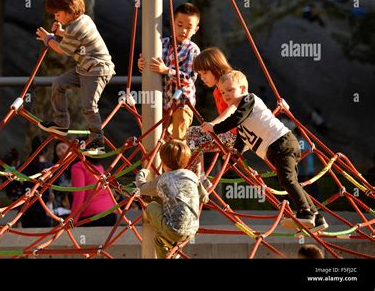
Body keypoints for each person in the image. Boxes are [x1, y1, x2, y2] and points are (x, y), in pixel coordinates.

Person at [202, 71, 328, 233]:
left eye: (230, 90)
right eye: (222, 92)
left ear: (243, 88)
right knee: (290, 181)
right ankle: (317, 217)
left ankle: (305, 212)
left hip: (282, 143)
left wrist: (215, 128)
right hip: (275, 148)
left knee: (287, 179)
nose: (226, 95)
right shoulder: (242, 120)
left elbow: (236, 119)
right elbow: (242, 137)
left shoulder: (249, 100)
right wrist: (234, 153)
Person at [36, 0, 115, 155]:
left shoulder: (76, 27)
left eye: (57, 14)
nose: (56, 17)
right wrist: (62, 33)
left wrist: (48, 39)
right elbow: (75, 39)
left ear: (69, 10)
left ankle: (97, 142)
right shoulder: (83, 19)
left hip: (97, 70)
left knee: (89, 106)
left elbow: (62, 51)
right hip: (85, 68)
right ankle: (61, 123)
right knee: (58, 83)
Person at [135, 140, 209, 258]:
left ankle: (169, 246)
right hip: (193, 230)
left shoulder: (163, 179)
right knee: (159, 239)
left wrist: (141, 173)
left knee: (151, 205)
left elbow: (142, 188)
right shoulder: (192, 176)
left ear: (163, 163)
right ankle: (171, 250)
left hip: (173, 230)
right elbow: (205, 198)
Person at [137, 3, 200, 141]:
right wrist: (142, 64)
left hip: (182, 104)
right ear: (172, 23)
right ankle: (161, 163)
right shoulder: (161, 43)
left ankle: (179, 161)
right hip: (162, 103)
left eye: (189, 27)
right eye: (180, 25)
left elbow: (189, 79)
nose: (183, 30)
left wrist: (166, 70)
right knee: (160, 140)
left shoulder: (192, 50)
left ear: (195, 29)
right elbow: (150, 64)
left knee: (178, 139)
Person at [186, 47, 237, 178]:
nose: (202, 78)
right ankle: (199, 177)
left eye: (204, 73)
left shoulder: (230, 82)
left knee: (191, 135)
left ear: (215, 68)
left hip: (239, 136)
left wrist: (214, 124)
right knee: (191, 135)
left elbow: (234, 107)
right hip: (230, 133)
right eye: (200, 74)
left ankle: (197, 178)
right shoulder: (217, 90)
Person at [70, 157, 117, 226]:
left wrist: (73, 220)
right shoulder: (98, 166)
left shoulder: (78, 166)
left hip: (93, 215)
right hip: (111, 213)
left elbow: (80, 193)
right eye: (58, 150)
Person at [21, 136, 55, 228]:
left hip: (27, 210)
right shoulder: (50, 168)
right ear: (47, 149)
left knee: (29, 240)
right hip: (44, 210)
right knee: (43, 240)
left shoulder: (25, 166)